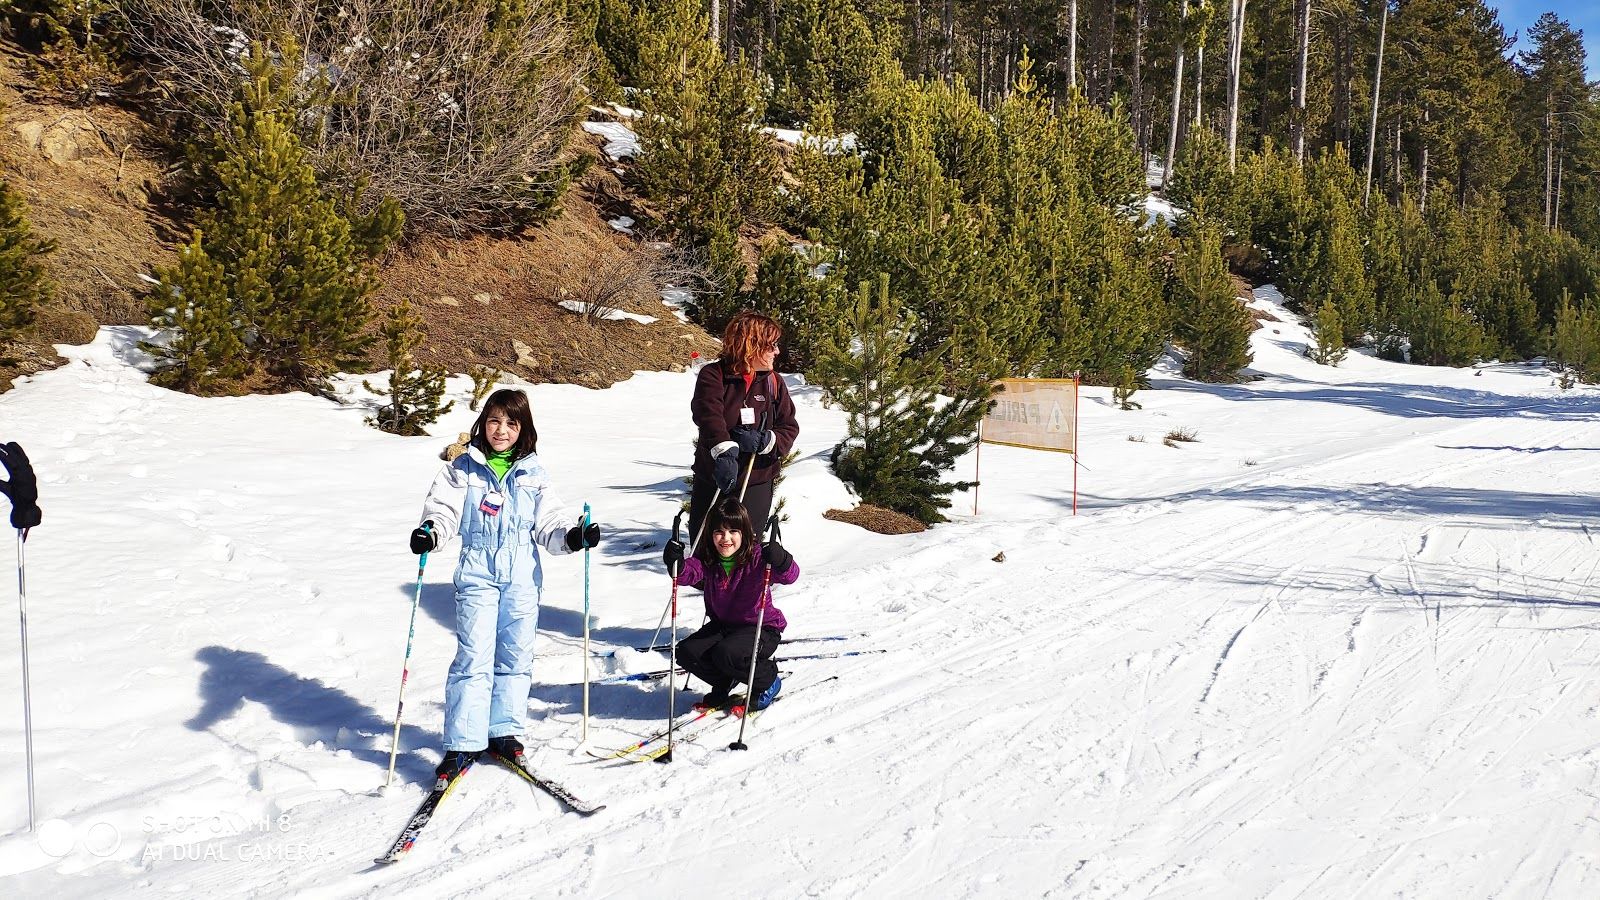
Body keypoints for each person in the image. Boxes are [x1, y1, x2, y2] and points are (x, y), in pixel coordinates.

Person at [410, 389, 600, 784]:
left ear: (522, 429)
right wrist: (431, 532)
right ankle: (463, 741)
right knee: (474, 655)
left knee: (515, 654)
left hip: (521, 575)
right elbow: (443, 510)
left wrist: (573, 536)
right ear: (483, 423)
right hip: (477, 570)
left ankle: (503, 731)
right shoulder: (462, 469)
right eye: (494, 421)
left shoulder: (533, 473)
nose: (501, 430)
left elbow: (550, 522)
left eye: (511, 423)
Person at [662, 499, 796, 714]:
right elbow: (688, 573)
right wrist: (675, 562)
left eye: (733, 531)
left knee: (727, 653)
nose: (726, 538)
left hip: (761, 628)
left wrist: (781, 559)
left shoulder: (758, 556)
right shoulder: (709, 558)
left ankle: (767, 681)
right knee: (688, 652)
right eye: (719, 532)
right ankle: (725, 681)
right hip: (724, 626)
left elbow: (790, 576)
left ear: (745, 533)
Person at [688, 311, 799, 550]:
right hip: (715, 476)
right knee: (706, 549)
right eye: (771, 345)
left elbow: (789, 426)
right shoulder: (714, 375)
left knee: (746, 551)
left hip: (755, 480)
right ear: (750, 345)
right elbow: (708, 415)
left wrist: (765, 441)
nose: (777, 352)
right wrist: (724, 451)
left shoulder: (774, 382)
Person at [0, 442, 42, 531]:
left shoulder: (28, 498)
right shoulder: (19, 499)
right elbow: (4, 487)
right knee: (18, 464)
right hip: (20, 473)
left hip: (24, 473)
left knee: (19, 464)